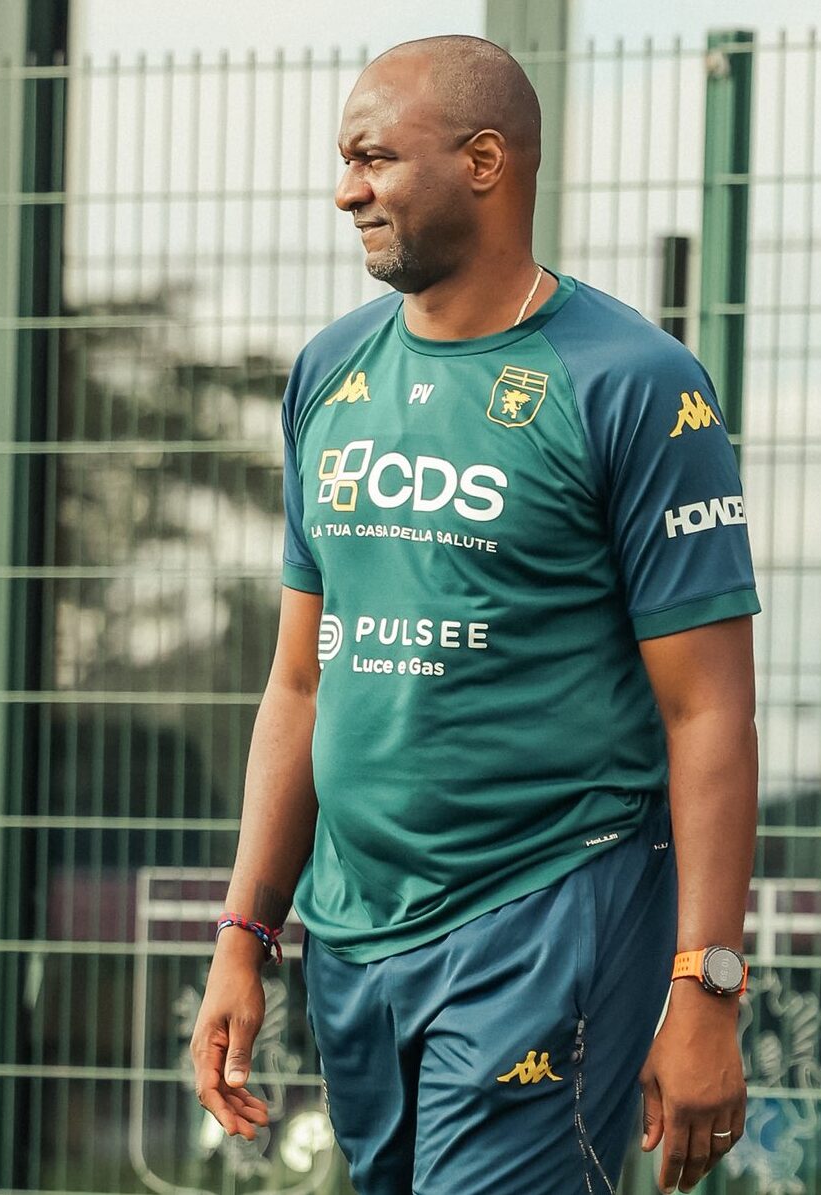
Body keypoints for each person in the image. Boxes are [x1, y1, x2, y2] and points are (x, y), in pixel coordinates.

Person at [191, 34, 761, 1195]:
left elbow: (708, 710)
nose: (344, 187)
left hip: (544, 917)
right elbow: (300, 681)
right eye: (344, 160)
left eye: (372, 157)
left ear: (485, 161)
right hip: (353, 940)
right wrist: (244, 935)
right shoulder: (327, 375)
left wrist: (702, 987)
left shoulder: (631, 381)